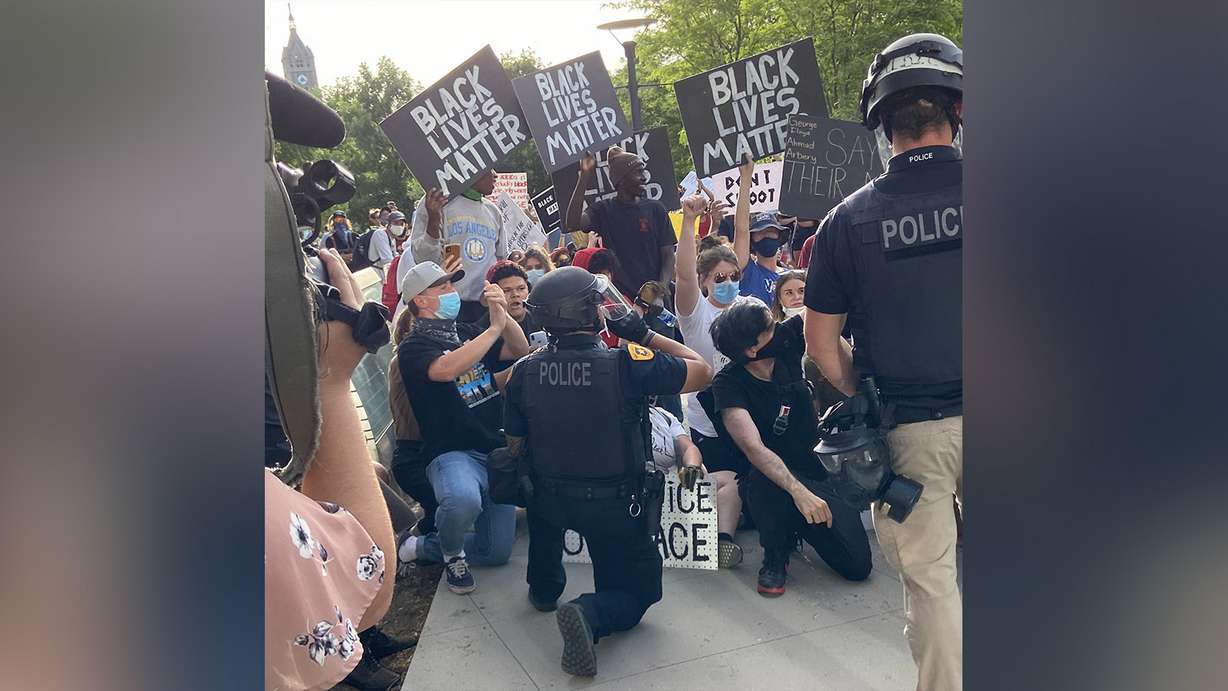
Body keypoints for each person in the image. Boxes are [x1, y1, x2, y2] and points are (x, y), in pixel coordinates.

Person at [804, 32, 964, 691]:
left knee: (932, 584)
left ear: (882, 125)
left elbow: (821, 345)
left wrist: (861, 392)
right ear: (958, 110)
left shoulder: (846, 221)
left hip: (908, 429)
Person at [502, 266, 712, 677]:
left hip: (549, 497)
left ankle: (545, 590)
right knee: (640, 594)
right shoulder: (626, 363)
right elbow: (702, 370)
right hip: (616, 505)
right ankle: (590, 613)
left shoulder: (524, 371)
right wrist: (643, 333)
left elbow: (515, 443)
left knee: (541, 504)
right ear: (592, 312)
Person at [710, 299, 872, 597]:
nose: (778, 328)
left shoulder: (784, 339)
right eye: (769, 327)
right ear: (751, 349)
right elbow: (753, 448)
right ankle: (775, 553)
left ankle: (797, 526)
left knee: (857, 566)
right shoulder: (728, 384)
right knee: (761, 479)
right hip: (771, 481)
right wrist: (799, 493)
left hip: (815, 471)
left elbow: (823, 306)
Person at [393, 260, 530, 594]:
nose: (452, 292)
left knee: (496, 552)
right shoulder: (413, 348)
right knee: (463, 499)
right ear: (421, 300)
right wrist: (493, 329)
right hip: (452, 452)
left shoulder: (465, 333)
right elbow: (445, 370)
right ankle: (452, 552)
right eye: (442, 287)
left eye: (452, 285)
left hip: (493, 450)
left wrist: (502, 313)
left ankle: (424, 547)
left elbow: (520, 349)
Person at [673, 192, 750, 566]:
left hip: (751, 415)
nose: (728, 283)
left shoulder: (749, 308)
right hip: (710, 422)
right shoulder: (695, 313)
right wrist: (689, 222)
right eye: (719, 278)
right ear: (704, 281)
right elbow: (682, 273)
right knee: (728, 481)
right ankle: (721, 537)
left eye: (734, 276)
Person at [564, 147, 676, 300]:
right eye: (638, 172)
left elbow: (668, 255)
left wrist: (660, 290)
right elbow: (573, 224)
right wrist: (584, 176)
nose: (644, 178)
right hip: (623, 303)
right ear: (621, 179)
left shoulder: (656, 209)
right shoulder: (604, 210)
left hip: (657, 301)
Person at [408, 170, 508, 323]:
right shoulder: (436, 202)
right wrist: (433, 221)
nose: (495, 175)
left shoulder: (493, 212)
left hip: (486, 306)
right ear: (472, 169)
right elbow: (422, 259)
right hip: (448, 307)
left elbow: (501, 259)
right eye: (489, 169)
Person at [368, 210, 402, 279]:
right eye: (396, 223)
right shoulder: (380, 234)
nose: (399, 226)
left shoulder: (392, 237)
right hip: (375, 276)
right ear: (389, 224)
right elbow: (387, 260)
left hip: (383, 274)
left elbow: (394, 256)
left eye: (401, 224)